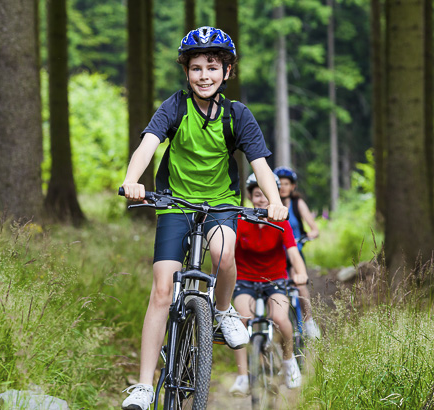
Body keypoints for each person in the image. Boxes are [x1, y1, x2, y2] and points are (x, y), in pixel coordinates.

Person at [121, 26, 288, 410]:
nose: (204, 75)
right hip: (175, 204)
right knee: (163, 289)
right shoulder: (174, 107)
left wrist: (275, 202)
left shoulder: (237, 114)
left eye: (212, 67)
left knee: (226, 257)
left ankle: (223, 309)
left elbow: (260, 165)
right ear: (187, 72)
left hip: (221, 205)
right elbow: (148, 144)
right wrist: (132, 180)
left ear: (226, 71)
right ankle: (145, 387)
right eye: (196, 68)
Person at [229, 173, 306, 395]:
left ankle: (289, 363)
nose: (261, 199)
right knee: (241, 321)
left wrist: (300, 273)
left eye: (265, 194)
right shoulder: (241, 220)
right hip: (245, 280)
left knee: (280, 317)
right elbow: (228, 254)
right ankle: (242, 376)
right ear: (251, 197)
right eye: (256, 194)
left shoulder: (280, 221)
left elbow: (293, 252)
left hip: (275, 280)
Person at [273, 166, 321, 339]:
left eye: (287, 184)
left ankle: (308, 321)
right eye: (280, 184)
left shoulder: (297, 203)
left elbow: (314, 228)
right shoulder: (271, 204)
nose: (284, 187)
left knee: (300, 286)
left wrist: (308, 236)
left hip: (294, 254)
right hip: (276, 254)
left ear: (293, 186)